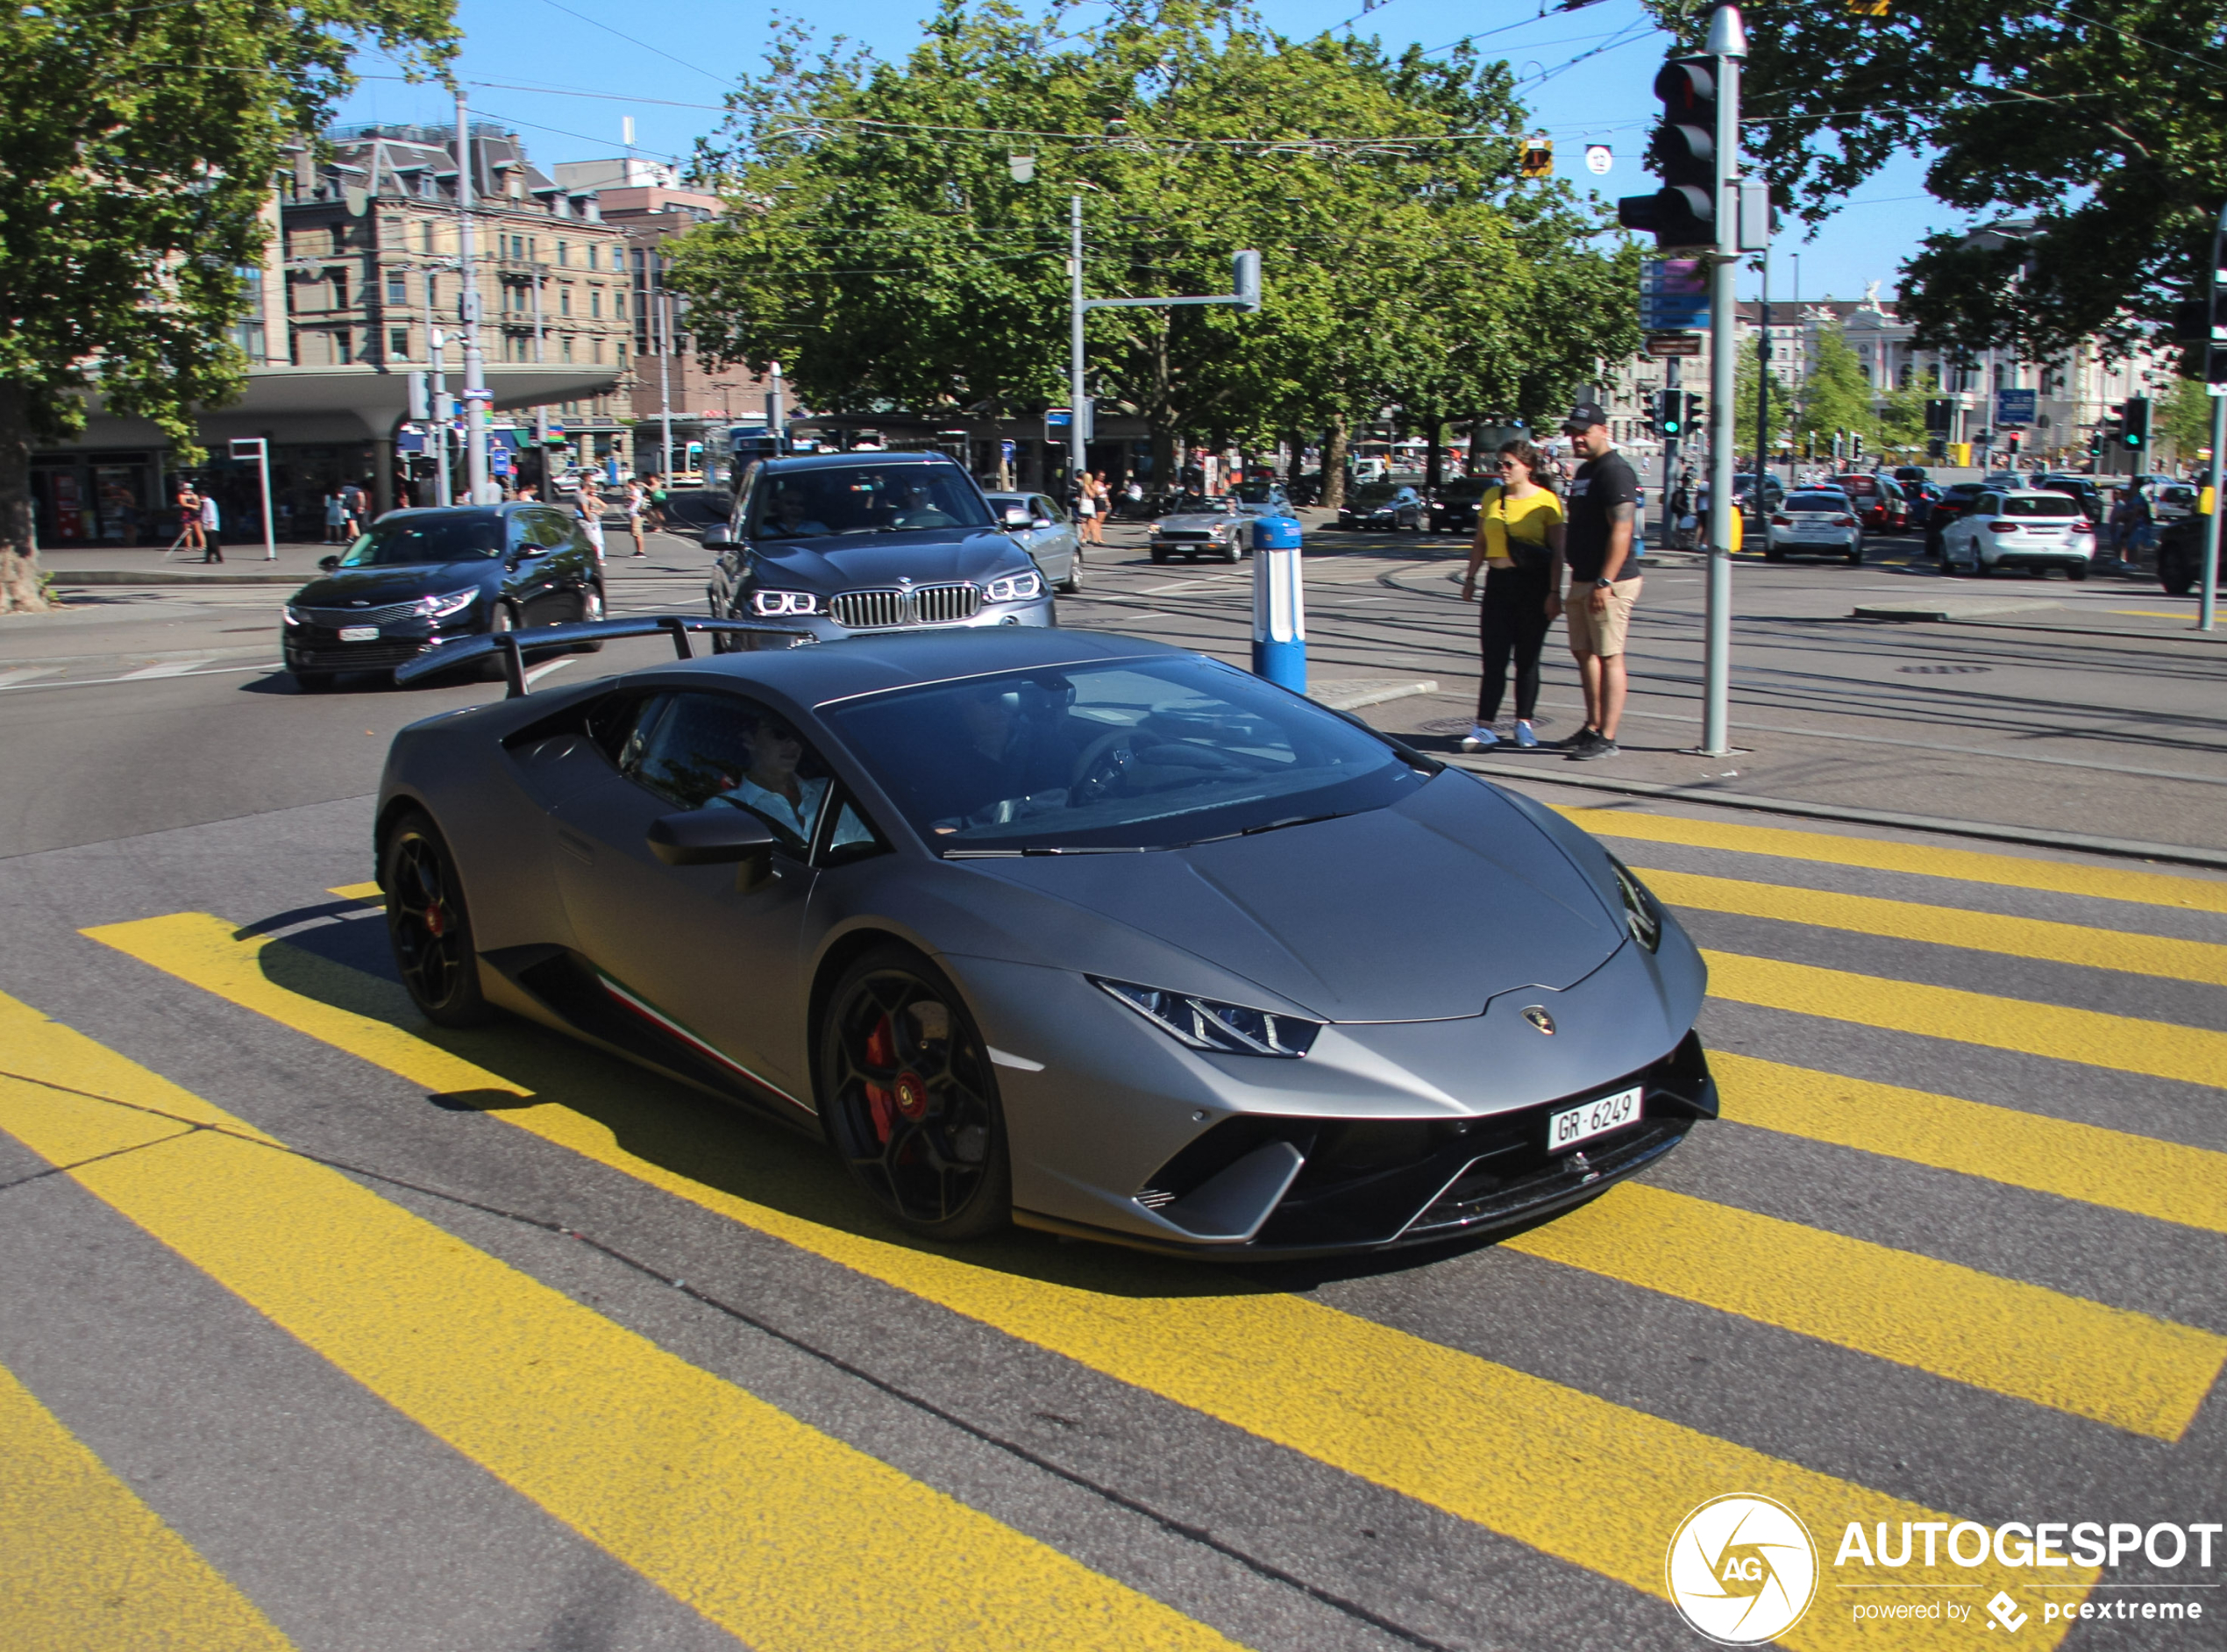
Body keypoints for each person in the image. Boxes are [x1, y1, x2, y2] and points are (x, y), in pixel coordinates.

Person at [1457, 440, 1564, 751]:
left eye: (1508, 464)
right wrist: (1471, 577)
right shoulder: (1493, 496)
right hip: (1498, 582)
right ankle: (1484, 727)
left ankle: (1523, 724)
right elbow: (1480, 541)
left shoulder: (1547, 501)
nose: (1501, 470)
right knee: (1494, 658)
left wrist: (1555, 592)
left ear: (1527, 467)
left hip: (1534, 584)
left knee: (1527, 659)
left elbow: (1558, 552)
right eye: (1499, 464)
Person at [1555, 402, 1642, 761]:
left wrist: (1605, 581)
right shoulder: (1586, 472)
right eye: (1572, 432)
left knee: (1609, 656)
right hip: (1583, 576)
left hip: (1610, 581)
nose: (1576, 438)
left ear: (1603, 430)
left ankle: (1607, 736)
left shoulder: (1615, 472)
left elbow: (1622, 529)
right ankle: (1592, 726)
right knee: (1584, 653)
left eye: (1583, 432)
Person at [573, 480, 607, 558]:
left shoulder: (582, 496)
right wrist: (590, 519)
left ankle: (598, 557)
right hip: (588, 521)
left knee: (595, 540)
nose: (593, 490)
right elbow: (585, 510)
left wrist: (599, 511)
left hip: (592, 520)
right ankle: (597, 558)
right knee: (593, 541)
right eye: (591, 488)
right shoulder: (583, 496)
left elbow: (604, 506)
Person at [174, 482, 205, 556]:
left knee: (198, 531)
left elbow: (198, 505)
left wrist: (194, 503)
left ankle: (203, 545)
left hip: (195, 515)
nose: (188, 490)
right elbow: (183, 504)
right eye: (187, 488)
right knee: (187, 531)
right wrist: (192, 506)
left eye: (190, 489)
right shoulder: (181, 496)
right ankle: (189, 546)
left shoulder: (195, 496)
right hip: (186, 515)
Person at [624, 477, 647, 557]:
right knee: (635, 534)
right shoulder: (634, 491)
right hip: (633, 514)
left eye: (628, 484)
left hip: (636, 514)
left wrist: (628, 497)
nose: (627, 485)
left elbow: (636, 499)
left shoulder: (636, 491)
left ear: (631, 484)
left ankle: (641, 551)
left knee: (638, 533)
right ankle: (638, 551)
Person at [198, 488, 224, 563]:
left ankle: (219, 558)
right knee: (209, 543)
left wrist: (211, 524)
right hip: (206, 525)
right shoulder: (205, 503)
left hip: (211, 526)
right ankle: (208, 559)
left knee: (213, 543)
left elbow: (211, 514)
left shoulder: (209, 503)